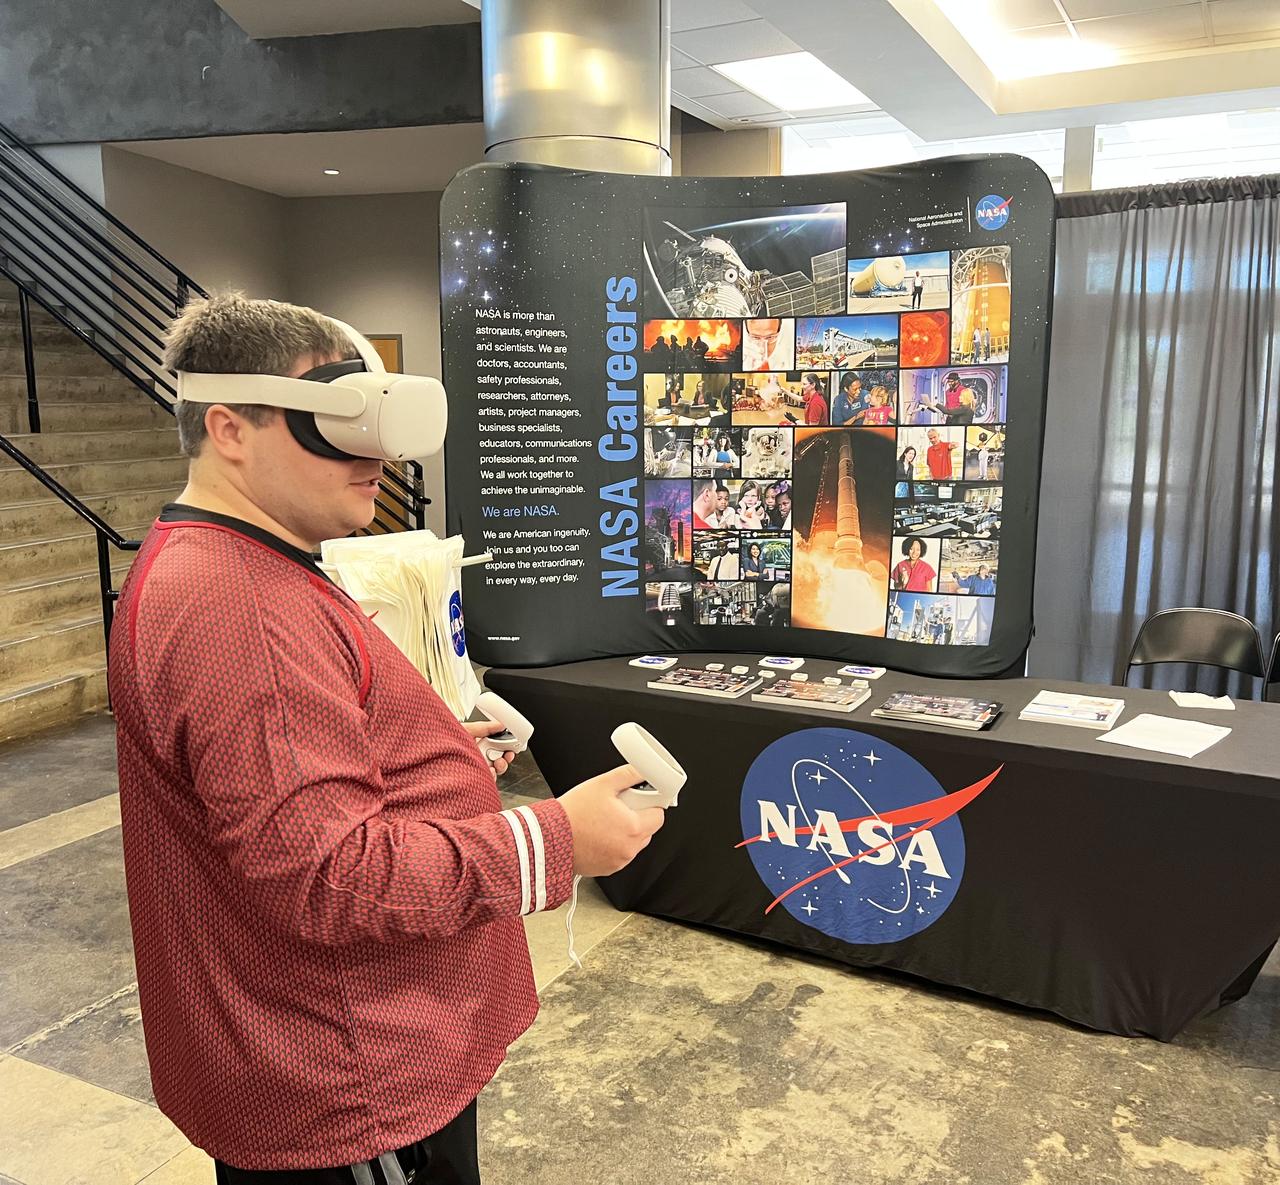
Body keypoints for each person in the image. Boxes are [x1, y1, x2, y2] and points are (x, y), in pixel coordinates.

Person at [109, 294, 664, 1184]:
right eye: (336, 418)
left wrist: (423, 754)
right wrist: (554, 838)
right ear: (230, 428)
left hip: (333, 1054)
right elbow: (328, 875)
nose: (379, 453)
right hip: (346, 1076)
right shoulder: (236, 602)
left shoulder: (233, 562)